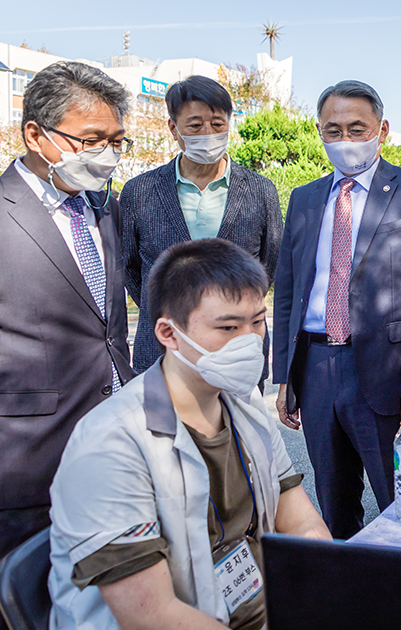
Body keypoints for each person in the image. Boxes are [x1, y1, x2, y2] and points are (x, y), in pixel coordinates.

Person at [49, 239, 331, 630]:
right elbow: (153, 617)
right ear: (168, 332)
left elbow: (302, 524)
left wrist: (331, 592)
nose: (249, 342)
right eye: (228, 327)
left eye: (257, 322)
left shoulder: (246, 409)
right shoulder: (109, 445)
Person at [273, 80, 401, 539]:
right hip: (315, 367)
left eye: (357, 128)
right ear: (319, 131)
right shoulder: (304, 198)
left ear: (382, 129)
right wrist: (284, 378)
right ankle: (349, 594)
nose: (346, 140)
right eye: (334, 130)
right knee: (333, 502)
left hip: (384, 372)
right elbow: (288, 290)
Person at [0, 61, 135, 558]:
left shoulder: (104, 209)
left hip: (113, 452)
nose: (107, 155)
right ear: (36, 135)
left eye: (117, 141)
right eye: (91, 139)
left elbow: (107, 328)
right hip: (26, 465)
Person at [121, 75, 283, 382]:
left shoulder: (261, 191)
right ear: (173, 128)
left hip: (239, 356)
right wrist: (178, 310)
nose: (207, 134)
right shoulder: (139, 191)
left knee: (235, 431)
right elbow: (129, 268)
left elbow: (269, 265)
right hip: (161, 354)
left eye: (218, 124)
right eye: (195, 126)